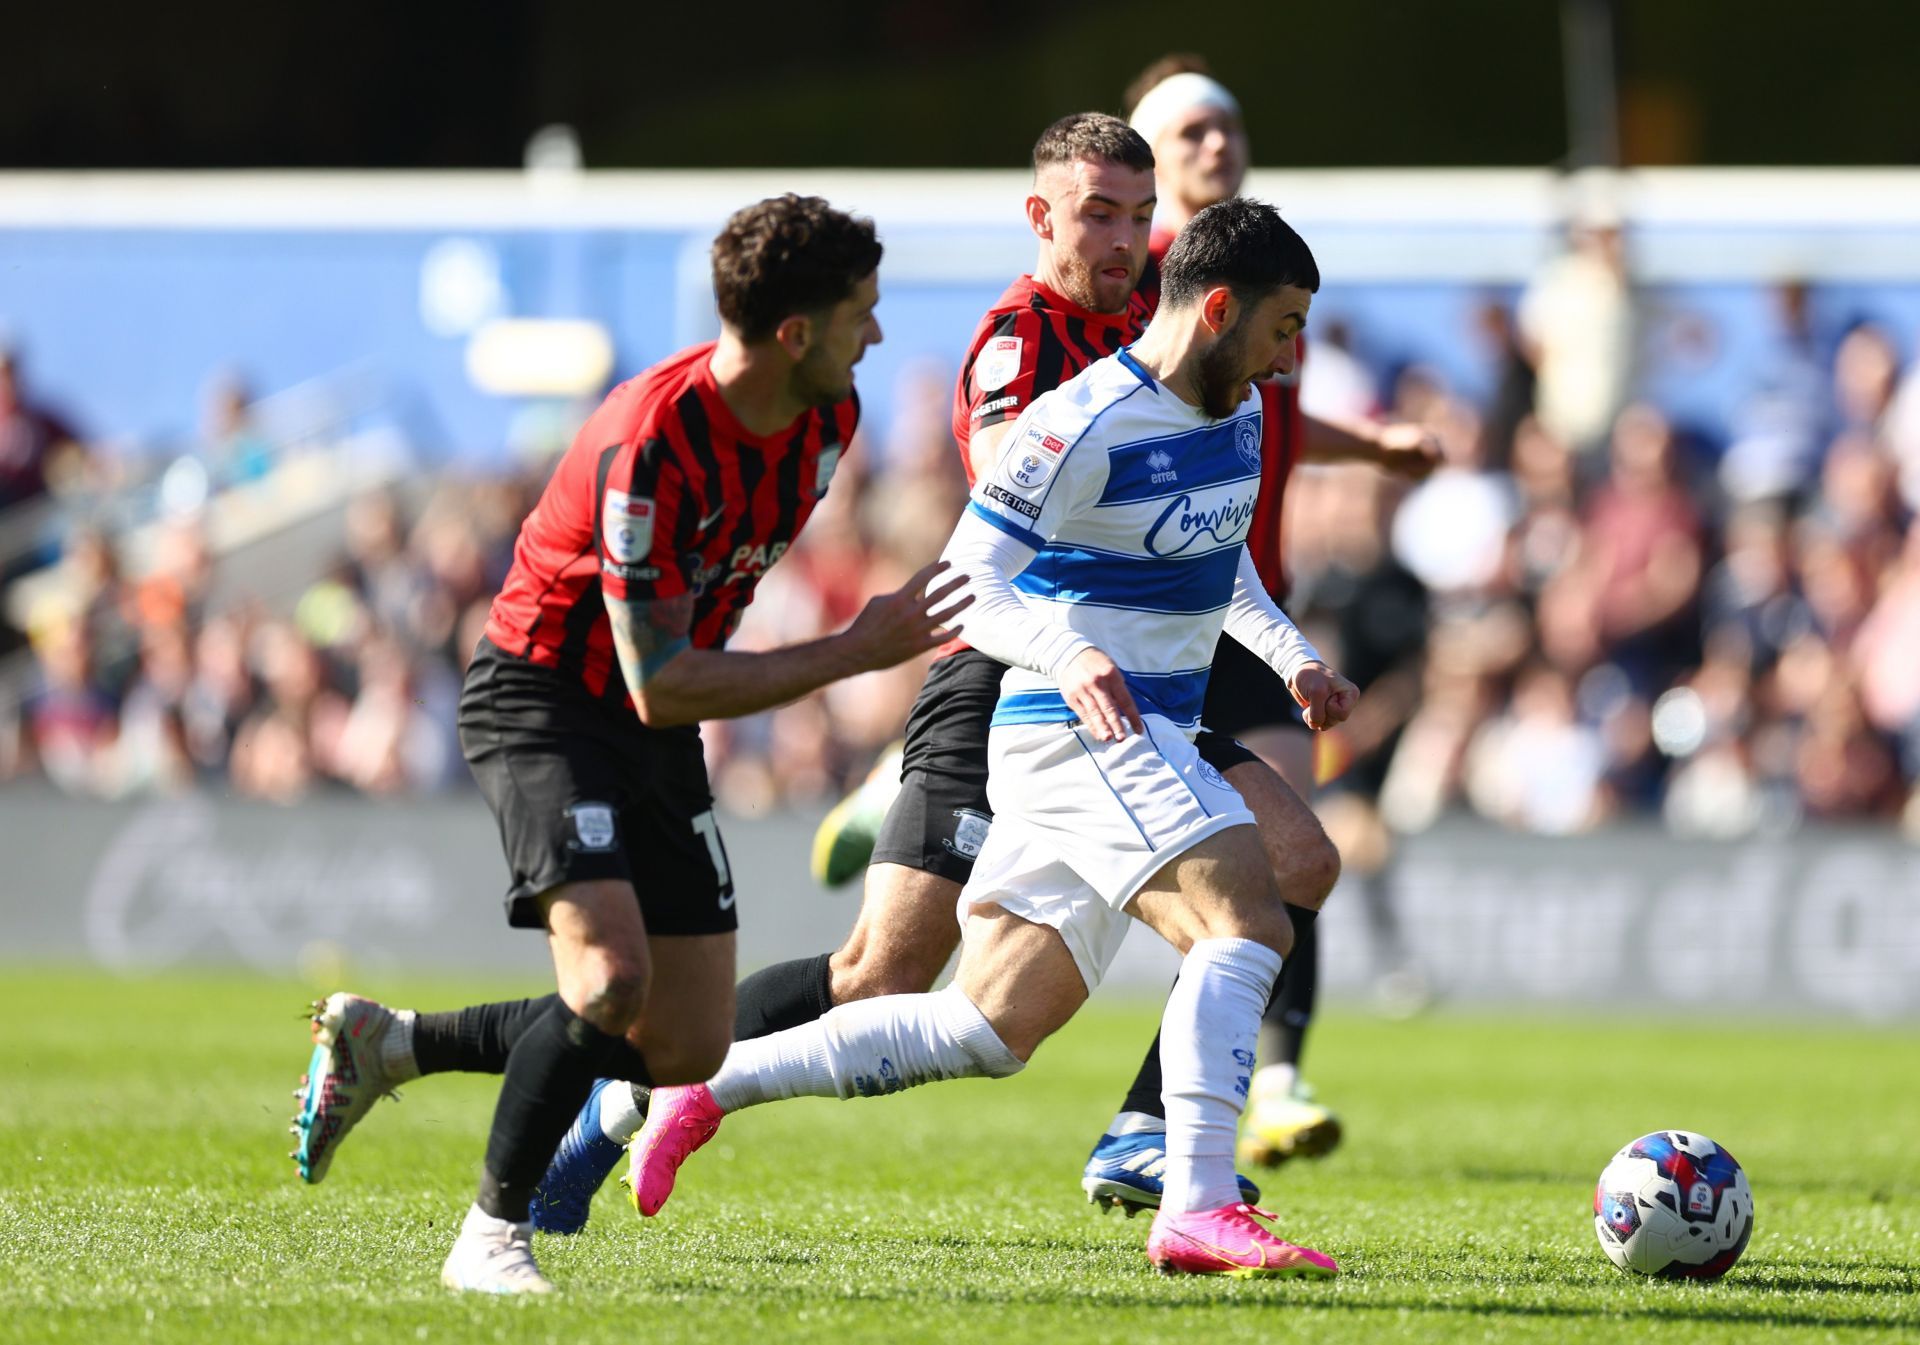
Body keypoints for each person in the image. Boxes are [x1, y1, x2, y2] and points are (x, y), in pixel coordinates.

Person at [631, 196, 1355, 1278]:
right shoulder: (1079, 422)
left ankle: (708, 1085)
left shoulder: (1237, 411)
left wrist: (1288, 651)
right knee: (1246, 918)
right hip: (1073, 730)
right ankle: (1197, 1202)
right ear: (1217, 310)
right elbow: (968, 589)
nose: (1288, 359)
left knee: (987, 1028)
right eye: (1283, 326)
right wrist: (1067, 653)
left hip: (1149, 728)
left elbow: (1224, 554)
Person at [287, 194, 971, 1296]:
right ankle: (489, 1240)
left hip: (659, 717)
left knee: (687, 1044)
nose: (877, 337)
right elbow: (655, 681)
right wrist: (854, 649)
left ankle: (392, 1044)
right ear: (795, 333)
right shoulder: (648, 442)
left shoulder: (826, 422)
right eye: (861, 315)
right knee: (607, 976)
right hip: (548, 701)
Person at [1117, 55, 1441, 1168]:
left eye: (1229, 127)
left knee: (1296, 852)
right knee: (975, 979)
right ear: (1144, 159)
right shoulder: (1135, 287)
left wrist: (1375, 446)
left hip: (1247, 605)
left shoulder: (1262, 276)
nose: (1219, 145)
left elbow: (1281, 412)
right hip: (1149, 611)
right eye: (1193, 131)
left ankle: (1261, 1082)